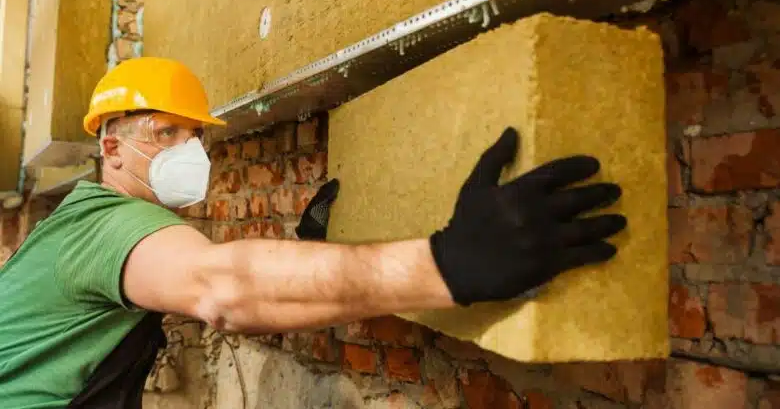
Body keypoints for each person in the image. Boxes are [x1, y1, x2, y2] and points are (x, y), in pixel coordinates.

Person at [0, 57, 627, 408]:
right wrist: (446, 264)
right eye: (167, 133)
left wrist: (303, 262)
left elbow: (221, 285)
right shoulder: (108, 225)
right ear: (112, 147)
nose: (191, 150)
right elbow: (222, 289)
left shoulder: (86, 225)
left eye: (196, 136)